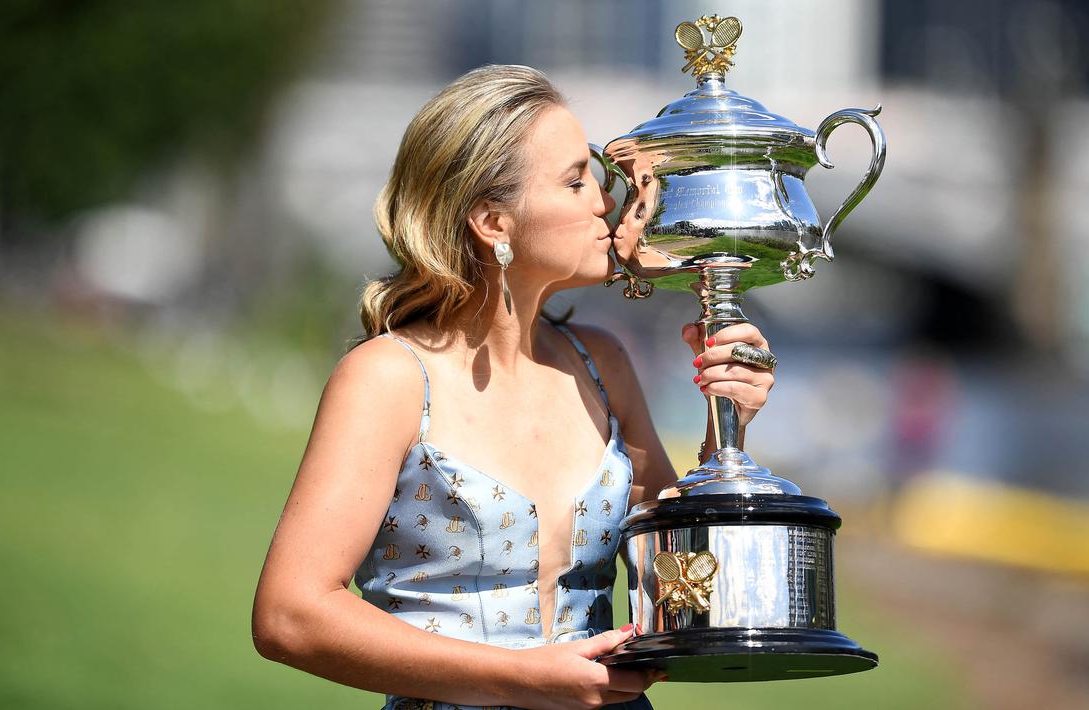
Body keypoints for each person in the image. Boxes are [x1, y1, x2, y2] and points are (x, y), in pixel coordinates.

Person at [251, 64, 776, 710]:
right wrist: (521, 676)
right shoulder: (389, 377)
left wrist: (727, 425)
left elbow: (686, 600)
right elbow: (289, 615)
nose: (603, 202)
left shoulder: (602, 365)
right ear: (491, 221)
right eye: (576, 181)